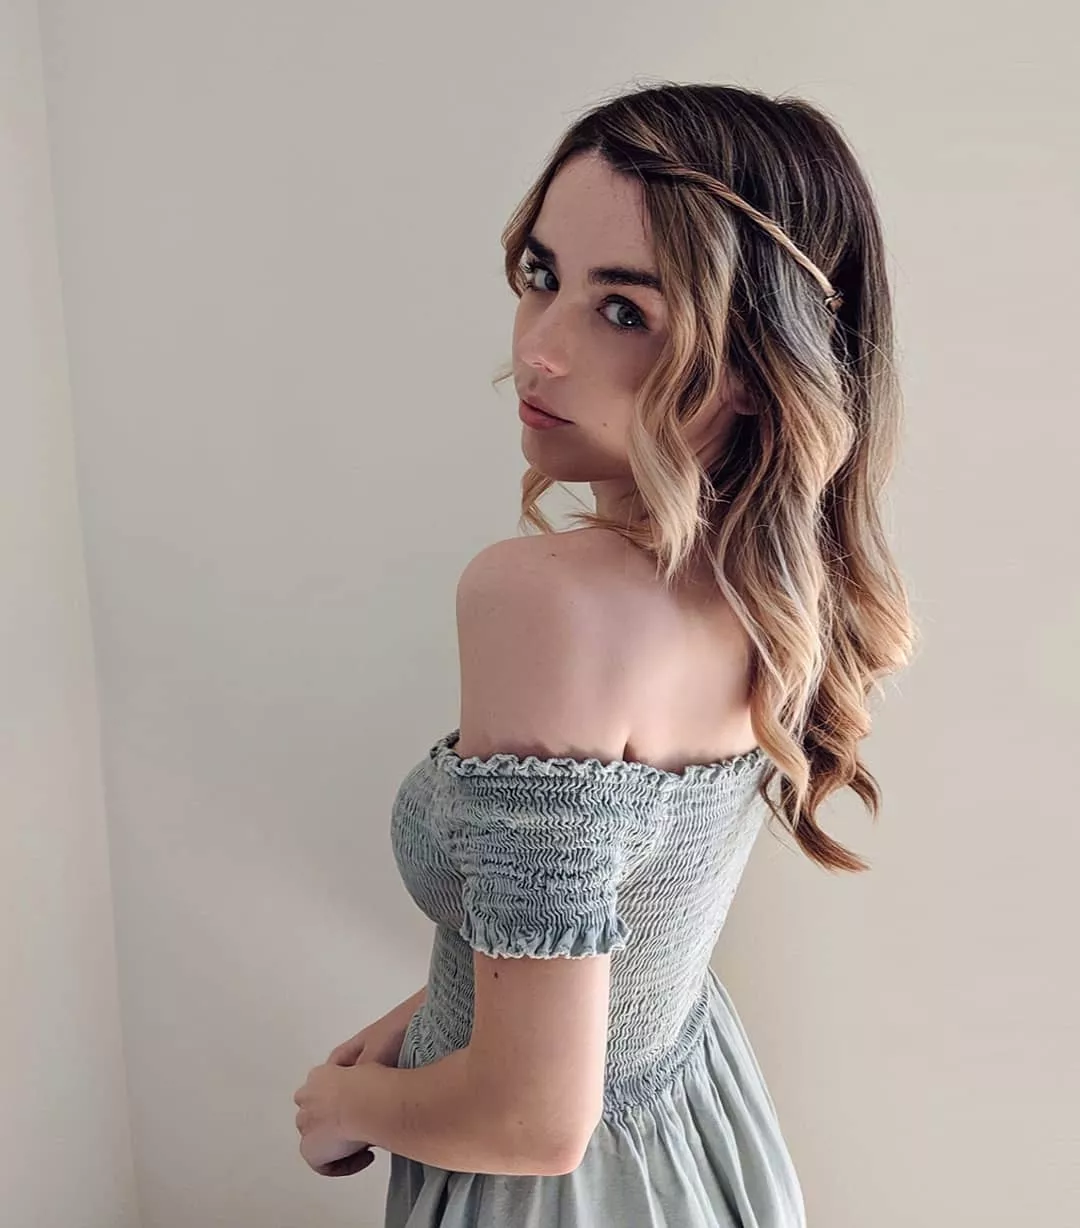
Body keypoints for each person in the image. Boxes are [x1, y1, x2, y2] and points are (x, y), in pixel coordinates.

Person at [322, 79, 916, 1226]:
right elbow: (633, 930)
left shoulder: (544, 602)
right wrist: (434, 1019)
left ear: (758, 361)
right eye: (543, 275)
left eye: (625, 311)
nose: (539, 351)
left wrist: (340, 1106)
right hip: (697, 1135)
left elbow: (532, 1119)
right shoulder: (775, 582)